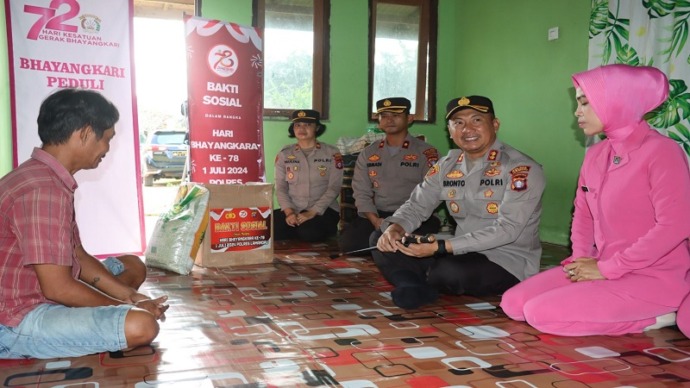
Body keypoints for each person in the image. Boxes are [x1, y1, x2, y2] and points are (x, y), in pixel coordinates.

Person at [500, 64, 690, 336]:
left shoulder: (662, 152)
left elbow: (675, 225)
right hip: (602, 265)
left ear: (617, 102)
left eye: (585, 103)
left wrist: (608, 269)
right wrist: (581, 261)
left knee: (540, 314)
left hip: (653, 275)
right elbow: (583, 214)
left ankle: (657, 316)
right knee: (513, 304)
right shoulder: (597, 154)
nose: (577, 112)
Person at [0, 88, 168, 359]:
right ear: (85, 133)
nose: (106, 149)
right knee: (141, 325)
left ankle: (104, 311)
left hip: (41, 290)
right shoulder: (43, 189)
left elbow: (75, 253)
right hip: (14, 319)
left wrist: (129, 296)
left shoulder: (45, 177)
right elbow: (57, 288)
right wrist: (123, 309)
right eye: (107, 139)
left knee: (132, 265)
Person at [374, 96, 545, 309]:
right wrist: (395, 228)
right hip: (457, 247)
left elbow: (508, 229)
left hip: (504, 258)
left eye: (477, 120)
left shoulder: (521, 169)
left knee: (449, 272)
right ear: (450, 130)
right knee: (382, 238)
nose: (467, 129)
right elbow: (417, 205)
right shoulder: (447, 165)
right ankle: (412, 285)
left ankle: (426, 277)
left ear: (495, 124)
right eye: (458, 123)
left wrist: (441, 247)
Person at [338, 97, 440, 254]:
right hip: (379, 214)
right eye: (384, 116)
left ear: (410, 118)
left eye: (396, 115)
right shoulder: (369, 152)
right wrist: (374, 220)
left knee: (409, 243)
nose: (389, 120)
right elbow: (361, 191)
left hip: (415, 215)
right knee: (350, 243)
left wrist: (399, 223)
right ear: (378, 121)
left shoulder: (426, 152)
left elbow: (433, 193)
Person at [273, 109, 344, 242]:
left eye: (307, 125)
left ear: (317, 127)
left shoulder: (332, 153)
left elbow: (334, 187)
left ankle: (305, 230)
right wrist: (289, 213)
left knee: (309, 233)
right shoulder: (284, 154)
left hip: (323, 210)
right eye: (298, 125)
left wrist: (312, 212)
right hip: (294, 208)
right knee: (268, 227)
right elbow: (281, 187)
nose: (302, 128)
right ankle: (295, 228)